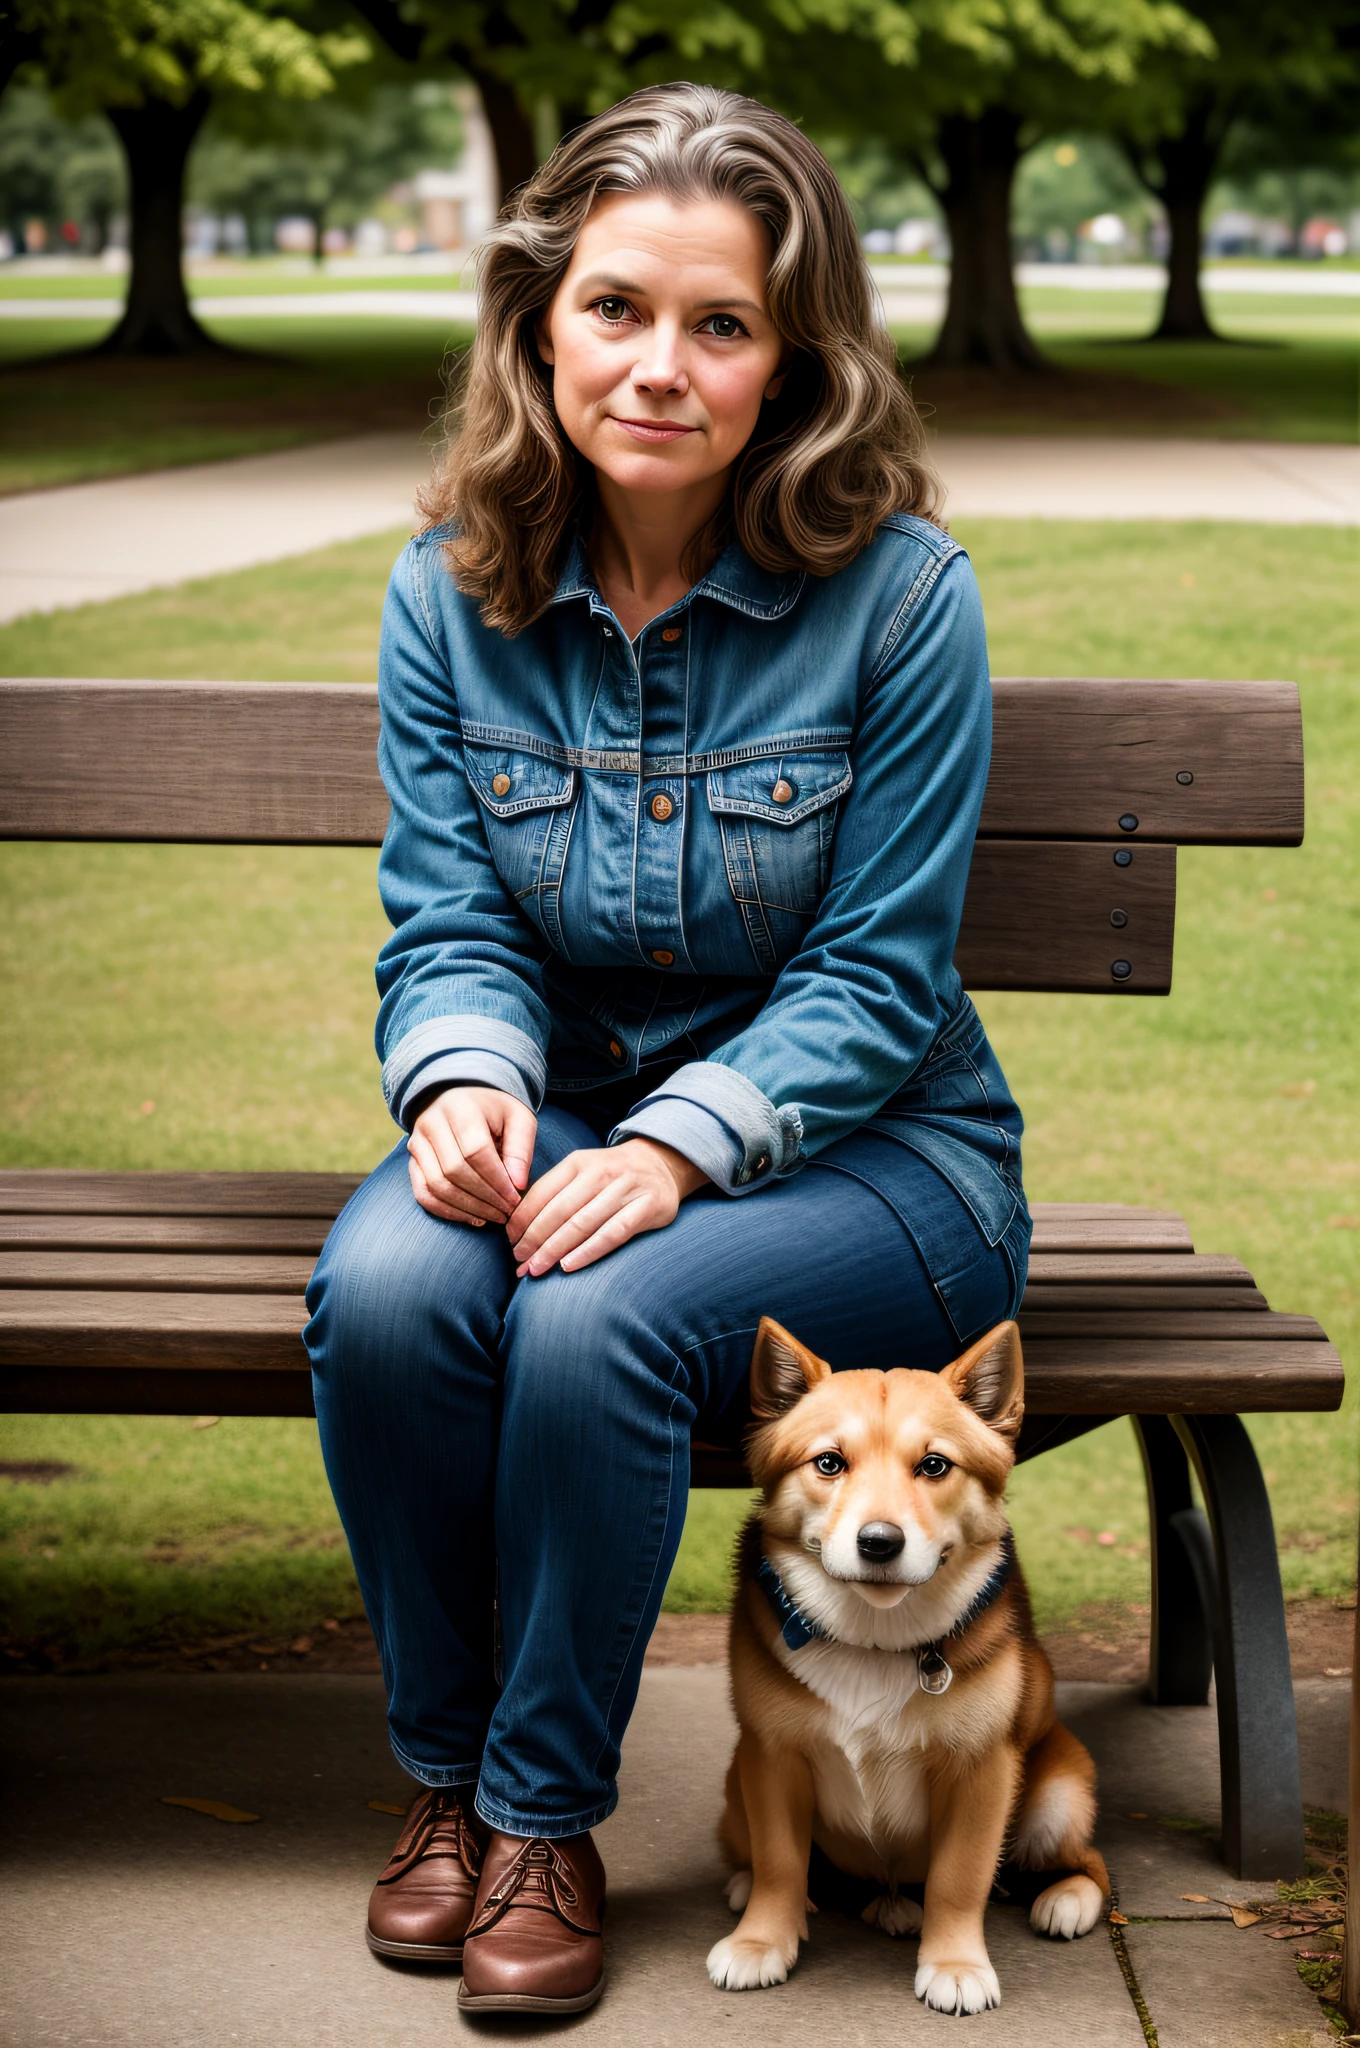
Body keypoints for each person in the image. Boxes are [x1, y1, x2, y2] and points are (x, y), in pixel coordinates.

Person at [303, 80, 1031, 2018]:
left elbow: (878, 977)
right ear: (538, 319)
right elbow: (446, 910)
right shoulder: (448, 586)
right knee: (384, 1285)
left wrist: (683, 1144)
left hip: (880, 1165)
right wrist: (464, 1078)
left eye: (720, 325)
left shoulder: (898, 599)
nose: (658, 365)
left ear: (791, 362)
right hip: (559, 1123)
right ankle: (442, 1788)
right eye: (615, 308)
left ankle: (544, 1815)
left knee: (596, 1316)